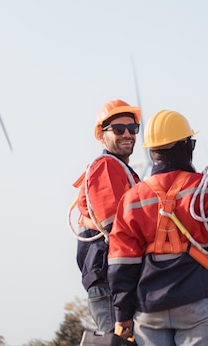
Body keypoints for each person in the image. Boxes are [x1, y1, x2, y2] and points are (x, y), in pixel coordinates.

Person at [107, 109, 208, 346]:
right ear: (186, 146)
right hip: (196, 300)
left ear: (152, 151)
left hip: (149, 307)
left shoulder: (132, 198)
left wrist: (122, 315)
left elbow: (122, 263)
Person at [73, 99, 142, 334]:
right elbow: (116, 229)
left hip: (112, 280)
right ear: (101, 135)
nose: (127, 134)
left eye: (132, 129)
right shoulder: (105, 166)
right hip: (109, 281)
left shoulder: (120, 169)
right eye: (118, 129)